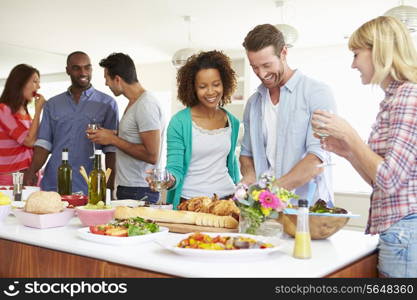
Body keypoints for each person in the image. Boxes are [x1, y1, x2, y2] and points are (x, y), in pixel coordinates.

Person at [312, 16, 417, 278]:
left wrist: (351, 135)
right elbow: (381, 183)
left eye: (357, 54)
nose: (353, 64)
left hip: (406, 232)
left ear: (379, 51)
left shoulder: (408, 96)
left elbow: (390, 179)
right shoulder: (393, 99)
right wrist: (348, 151)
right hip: (401, 232)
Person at [240, 24, 337, 204]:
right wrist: (249, 179)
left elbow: (317, 159)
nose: (261, 74)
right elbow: (247, 154)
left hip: (305, 210)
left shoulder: (316, 93)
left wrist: (270, 193)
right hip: (264, 210)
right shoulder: (254, 103)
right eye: (254, 67)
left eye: (267, 65)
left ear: (284, 52)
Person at [153, 50, 240, 209]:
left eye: (216, 84)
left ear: (224, 83)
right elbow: (175, 168)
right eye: (202, 86)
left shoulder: (232, 121)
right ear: (192, 88)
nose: (211, 92)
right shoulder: (179, 122)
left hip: (227, 201)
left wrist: (241, 192)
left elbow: (231, 165)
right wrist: (167, 180)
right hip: (190, 202)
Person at [24, 51, 119, 196]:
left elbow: (111, 150)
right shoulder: (53, 104)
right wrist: (31, 171)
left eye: (87, 67)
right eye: (77, 68)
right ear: (67, 70)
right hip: (53, 183)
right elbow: (44, 144)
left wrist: (109, 186)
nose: (83, 72)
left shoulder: (107, 104)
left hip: (89, 184)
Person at [87, 52, 165, 203]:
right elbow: (136, 134)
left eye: (106, 79)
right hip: (129, 187)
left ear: (117, 79)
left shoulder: (146, 104)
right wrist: (112, 133)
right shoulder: (135, 102)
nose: (106, 84)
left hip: (139, 189)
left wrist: (113, 139)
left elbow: (152, 155)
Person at [0, 64, 45, 185]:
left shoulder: (24, 112)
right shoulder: (3, 110)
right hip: (11, 178)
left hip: (29, 175)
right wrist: (38, 110)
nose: (38, 86)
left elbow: (36, 140)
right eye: (35, 82)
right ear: (20, 83)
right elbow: (29, 141)